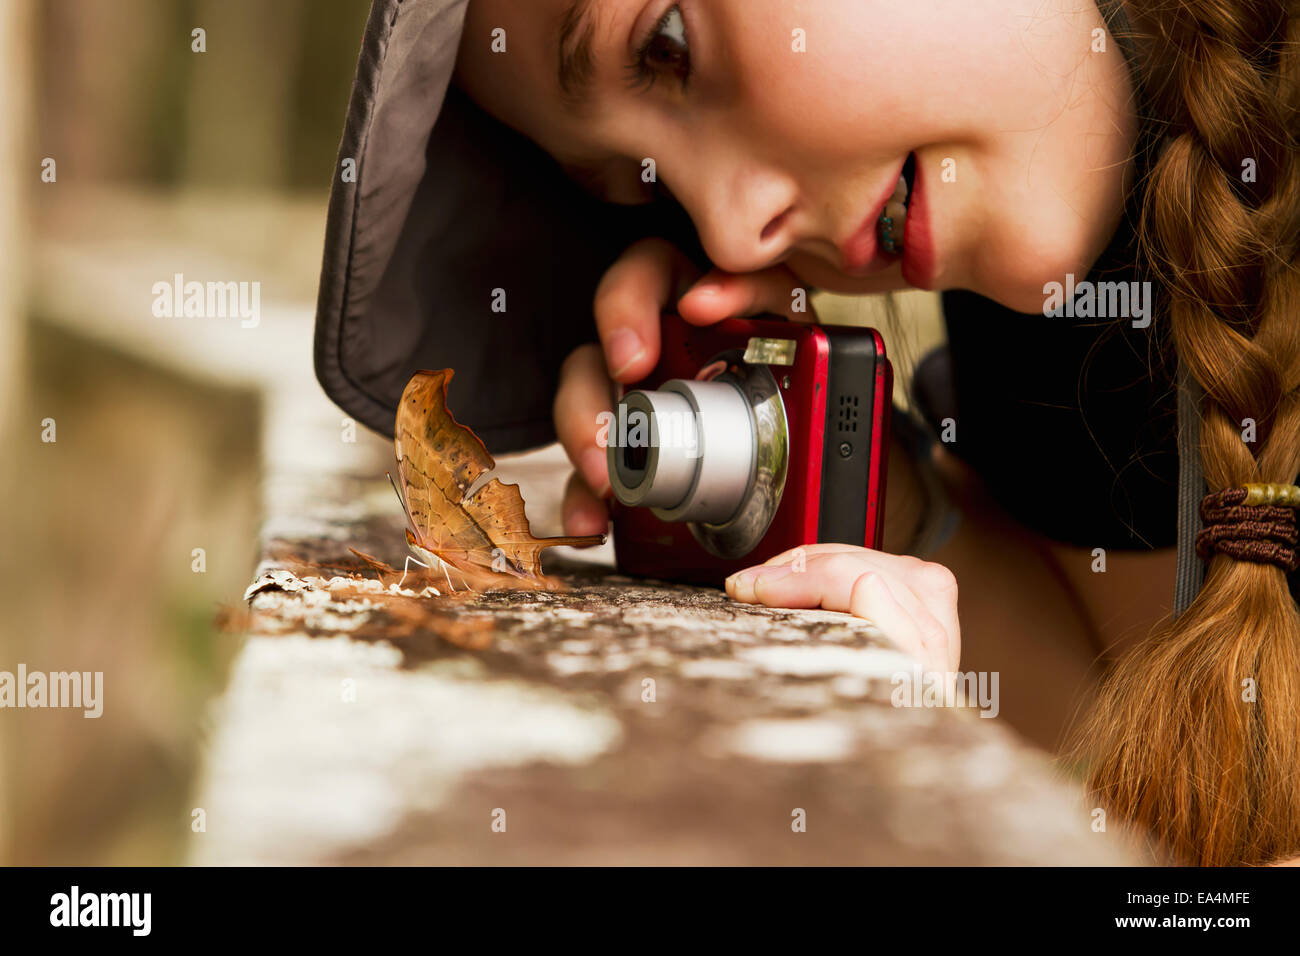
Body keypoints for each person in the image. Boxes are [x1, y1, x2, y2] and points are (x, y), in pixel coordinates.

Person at [316, 0, 1299, 865]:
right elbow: (1160, 749)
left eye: (665, 45)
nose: (734, 233)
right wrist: (870, 507)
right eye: (636, 184)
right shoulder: (1055, 331)